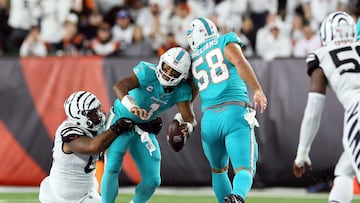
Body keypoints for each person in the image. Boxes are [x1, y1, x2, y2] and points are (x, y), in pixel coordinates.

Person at [186, 18, 268, 203]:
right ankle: (237, 197)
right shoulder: (224, 40)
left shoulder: (192, 58)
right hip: (234, 112)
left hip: (209, 119)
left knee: (218, 170)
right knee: (244, 168)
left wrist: (181, 118)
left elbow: (189, 93)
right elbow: (239, 60)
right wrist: (257, 89)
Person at [101, 47, 197, 203]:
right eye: (166, 67)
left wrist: (188, 126)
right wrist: (132, 106)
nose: (167, 73)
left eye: (174, 72)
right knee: (112, 166)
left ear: (183, 75)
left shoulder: (181, 90)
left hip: (144, 128)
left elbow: (189, 118)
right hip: (120, 121)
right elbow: (119, 86)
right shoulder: (147, 71)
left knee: (153, 180)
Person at [293, 11, 360, 203]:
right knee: (344, 171)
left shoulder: (321, 56)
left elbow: (314, 108)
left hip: (357, 110)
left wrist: (303, 152)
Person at [39, 90, 134, 203]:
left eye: (97, 109)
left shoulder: (93, 128)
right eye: (93, 112)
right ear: (81, 115)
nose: (98, 114)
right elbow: (92, 146)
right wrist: (117, 128)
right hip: (65, 196)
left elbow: (113, 132)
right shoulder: (68, 132)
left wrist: (147, 126)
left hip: (85, 190)